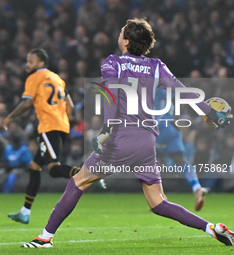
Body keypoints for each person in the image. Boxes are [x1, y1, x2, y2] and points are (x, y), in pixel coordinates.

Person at [21, 18, 234, 248]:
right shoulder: (156, 66)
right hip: (146, 142)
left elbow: (111, 96)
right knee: (158, 202)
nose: (119, 34)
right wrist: (210, 112)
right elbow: (183, 92)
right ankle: (211, 228)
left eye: (122, 31)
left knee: (78, 182)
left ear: (126, 41)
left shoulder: (113, 63)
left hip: (120, 138)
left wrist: (106, 130)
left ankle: (44, 237)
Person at [3, 48, 84, 224]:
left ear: (41, 63)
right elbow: (70, 106)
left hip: (49, 127)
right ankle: (25, 212)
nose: (27, 64)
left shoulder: (34, 77)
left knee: (54, 169)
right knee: (34, 167)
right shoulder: (57, 79)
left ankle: (86, 174)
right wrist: (63, 119)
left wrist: (10, 116)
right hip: (60, 126)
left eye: (30, 61)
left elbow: (27, 103)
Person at [155, 87, 208, 211]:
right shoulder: (165, 88)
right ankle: (197, 187)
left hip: (158, 128)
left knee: (148, 162)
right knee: (181, 161)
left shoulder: (152, 89)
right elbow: (178, 99)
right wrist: (177, 120)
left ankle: (159, 196)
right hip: (172, 130)